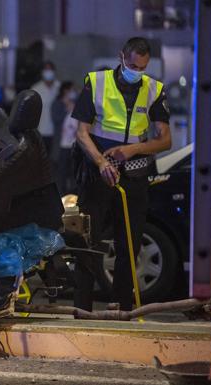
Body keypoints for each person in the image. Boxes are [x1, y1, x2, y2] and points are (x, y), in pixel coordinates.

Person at [71, 37, 171, 312]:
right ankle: (82, 307)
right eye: (132, 65)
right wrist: (102, 162)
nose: (136, 71)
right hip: (96, 172)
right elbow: (81, 133)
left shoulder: (154, 89)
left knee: (130, 242)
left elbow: (165, 140)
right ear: (121, 57)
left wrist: (134, 149)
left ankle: (122, 306)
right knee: (87, 240)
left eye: (142, 67)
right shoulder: (97, 82)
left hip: (134, 176)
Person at [51, 81, 78, 194]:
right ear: (65, 90)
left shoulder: (77, 103)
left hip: (74, 143)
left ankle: (73, 195)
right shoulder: (57, 104)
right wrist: (66, 109)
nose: (72, 92)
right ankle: (60, 194)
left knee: (73, 171)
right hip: (62, 144)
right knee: (61, 171)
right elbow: (56, 120)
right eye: (70, 90)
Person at [31, 62, 60, 157]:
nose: (48, 72)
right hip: (40, 131)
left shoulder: (59, 87)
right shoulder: (36, 88)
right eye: (46, 70)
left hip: (57, 133)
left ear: (54, 71)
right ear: (42, 72)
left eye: (50, 70)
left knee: (55, 159)